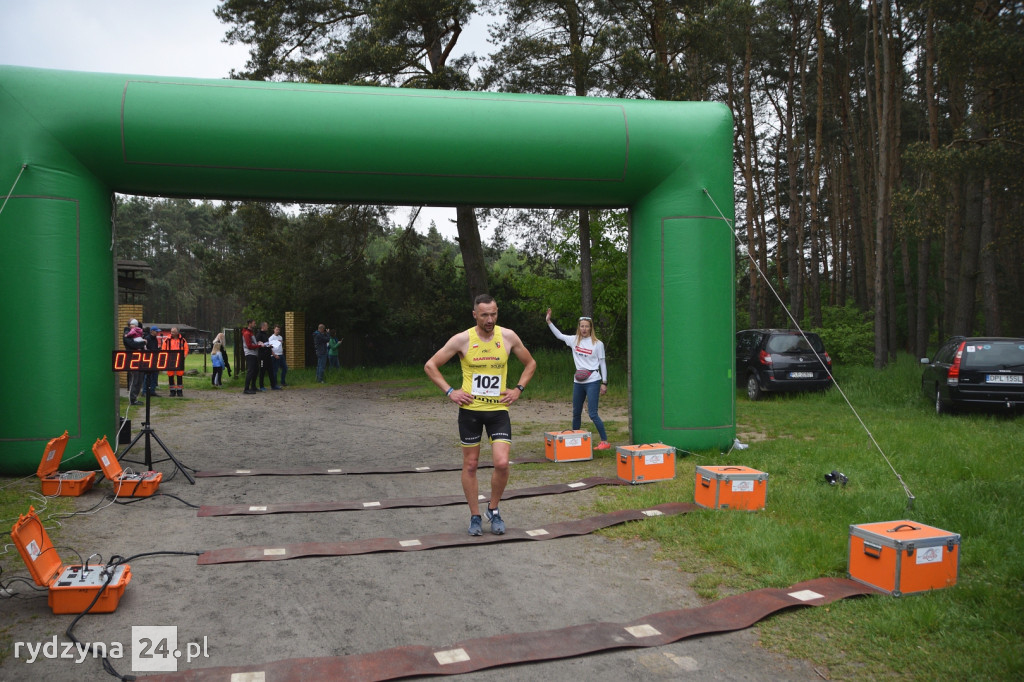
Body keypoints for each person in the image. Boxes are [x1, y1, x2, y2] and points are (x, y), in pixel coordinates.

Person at [424, 294, 536, 536]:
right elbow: (430, 365)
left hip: (498, 411)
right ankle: (475, 516)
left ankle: (493, 510)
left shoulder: (507, 336)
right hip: (470, 412)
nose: (490, 319)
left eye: (493, 313)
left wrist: (518, 389)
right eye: (484, 314)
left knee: (502, 463)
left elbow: (531, 364)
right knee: (471, 464)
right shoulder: (462, 339)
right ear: (474, 314)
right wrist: (450, 391)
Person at [545, 308, 610, 449]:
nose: (584, 329)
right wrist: (549, 321)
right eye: (582, 326)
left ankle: (604, 441)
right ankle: (574, 439)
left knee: (592, 413)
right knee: (576, 412)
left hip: (593, 380)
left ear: (591, 328)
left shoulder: (598, 344)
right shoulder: (574, 340)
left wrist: (604, 383)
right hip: (578, 381)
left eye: (587, 326)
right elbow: (559, 335)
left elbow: (602, 363)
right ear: (579, 328)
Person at [122, 318, 146, 405]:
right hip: (132, 359)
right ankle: (132, 399)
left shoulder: (138, 332)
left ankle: (135, 398)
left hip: (140, 359)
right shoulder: (127, 334)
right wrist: (143, 343)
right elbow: (132, 344)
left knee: (140, 379)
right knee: (134, 379)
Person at [162, 327, 190, 397]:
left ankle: (179, 391)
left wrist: (184, 356)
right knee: (170, 375)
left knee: (179, 375)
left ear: (177, 332)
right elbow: (163, 349)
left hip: (180, 360)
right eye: (171, 332)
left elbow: (186, 349)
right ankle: (172, 391)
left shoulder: (183, 340)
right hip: (170, 359)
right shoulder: (167, 340)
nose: (172, 333)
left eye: (173, 332)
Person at [256, 321, 278, 391]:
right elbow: (258, 344)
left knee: (270, 370)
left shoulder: (266, 335)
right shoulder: (259, 335)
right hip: (262, 356)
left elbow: (266, 344)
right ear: (263, 327)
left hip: (268, 355)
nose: (267, 327)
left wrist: (269, 346)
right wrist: (265, 345)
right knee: (262, 371)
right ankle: (261, 386)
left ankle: (273, 385)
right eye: (266, 326)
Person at [242, 319, 260, 394]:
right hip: (250, 354)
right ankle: (246, 388)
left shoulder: (251, 333)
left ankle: (253, 386)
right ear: (249, 324)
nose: (255, 325)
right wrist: (259, 345)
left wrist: (258, 343)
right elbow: (249, 345)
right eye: (254, 323)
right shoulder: (247, 333)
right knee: (250, 371)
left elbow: (253, 343)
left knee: (256, 370)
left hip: (254, 354)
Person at [144, 327, 162, 396]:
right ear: (152, 331)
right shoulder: (147, 338)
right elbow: (146, 348)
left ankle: (152, 391)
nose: (157, 333)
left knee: (155, 375)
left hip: (155, 358)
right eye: (156, 331)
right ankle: (145, 391)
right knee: (147, 376)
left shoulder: (155, 339)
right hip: (148, 359)